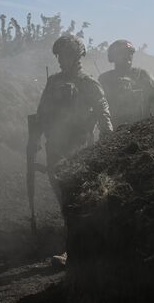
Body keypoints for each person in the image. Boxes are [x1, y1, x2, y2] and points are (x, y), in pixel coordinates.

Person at [31, 35, 113, 267]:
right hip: (55, 145)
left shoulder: (88, 83)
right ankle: (78, 247)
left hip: (79, 145)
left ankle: (77, 252)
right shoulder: (53, 82)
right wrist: (36, 137)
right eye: (58, 56)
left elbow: (102, 108)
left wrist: (107, 132)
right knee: (63, 196)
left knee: (74, 196)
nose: (60, 60)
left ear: (77, 57)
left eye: (65, 55)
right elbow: (42, 111)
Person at [98, 40, 154, 127]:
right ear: (113, 57)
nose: (127, 56)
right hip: (115, 131)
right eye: (122, 53)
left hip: (141, 130)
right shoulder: (105, 79)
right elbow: (98, 108)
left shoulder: (142, 75)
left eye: (130, 53)